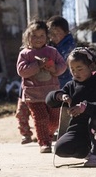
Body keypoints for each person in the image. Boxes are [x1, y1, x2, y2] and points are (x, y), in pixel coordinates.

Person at [46, 47, 96, 167]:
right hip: (78, 130)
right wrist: (60, 96)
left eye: (79, 69)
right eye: (72, 69)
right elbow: (49, 100)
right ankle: (89, 153)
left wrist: (85, 108)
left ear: (91, 67)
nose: (75, 73)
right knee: (60, 148)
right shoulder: (71, 86)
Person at [16, 20, 67, 153]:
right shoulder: (25, 54)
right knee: (41, 118)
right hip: (34, 95)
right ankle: (44, 142)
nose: (38, 39)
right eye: (34, 36)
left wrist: (53, 68)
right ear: (27, 37)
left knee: (55, 121)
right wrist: (37, 65)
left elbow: (63, 66)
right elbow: (21, 71)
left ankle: (47, 134)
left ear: (47, 37)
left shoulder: (52, 51)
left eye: (41, 36)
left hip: (52, 93)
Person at [46, 15, 76, 87]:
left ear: (66, 32)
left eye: (58, 33)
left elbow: (62, 63)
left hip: (66, 82)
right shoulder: (50, 45)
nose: (54, 36)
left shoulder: (69, 46)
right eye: (51, 33)